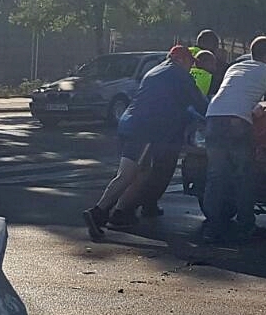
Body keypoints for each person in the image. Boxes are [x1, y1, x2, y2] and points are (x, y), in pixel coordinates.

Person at [83, 46, 207, 240]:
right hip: (145, 130)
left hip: (132, 123)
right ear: (178, 58)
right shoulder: (178, 74)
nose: (191, 66)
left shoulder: (156, 71)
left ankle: (120, 211)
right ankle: (98, 212)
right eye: (189, 61)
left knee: (143, 172)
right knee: (127, 174)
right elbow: (198, 103)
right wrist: (213, 117)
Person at [199, 37, 266, 242]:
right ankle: (246, 225)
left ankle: (212, 226)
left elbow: (235, 94)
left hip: (213, 117)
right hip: (237, 124)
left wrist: (254, 108)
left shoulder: (235, 68)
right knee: (244, 176)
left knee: (216, 175)